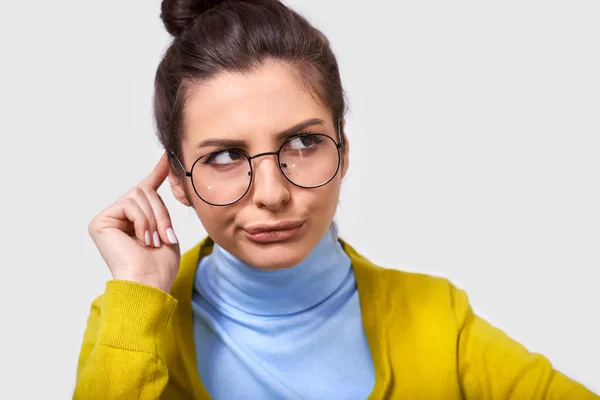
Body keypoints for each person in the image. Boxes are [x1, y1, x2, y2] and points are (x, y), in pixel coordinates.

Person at [74, 0, 599, 399]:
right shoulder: (132, 320)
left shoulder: (437, 319)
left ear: (343, 149)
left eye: (302, 143)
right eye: (226, 156)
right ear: (179, 180)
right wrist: (141, 292)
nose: (273, 195)